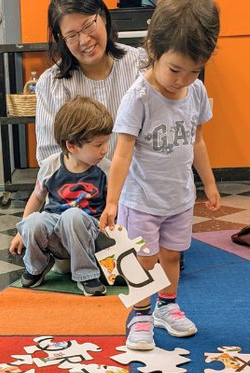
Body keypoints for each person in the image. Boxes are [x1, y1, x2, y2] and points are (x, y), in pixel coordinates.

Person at [99, 0, 221, 351]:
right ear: (152, 49)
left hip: (179, 199)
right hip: (141, 201)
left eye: (195, 71)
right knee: (142, 258)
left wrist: (209, 184)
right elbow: (120, 154)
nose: (182, 80)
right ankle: (139, 314)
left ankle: (166, 306)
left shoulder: (194, 92)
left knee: (170, 256)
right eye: (175, 69)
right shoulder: (138, 97)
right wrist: (112, 201)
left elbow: (197, 141)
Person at [9, 96, 113, 297]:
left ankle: (86, 275)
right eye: (98, 144)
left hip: (89, 230)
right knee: (34, 221)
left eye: (106, 142)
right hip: (55, 231)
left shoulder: (105, 169)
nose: (105, 149)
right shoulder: (51, 166)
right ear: (72, 146)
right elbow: (36, 198)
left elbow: (115, 204)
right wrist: (21, 232)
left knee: (72, 216)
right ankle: (36, 268)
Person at [35, 0, 147, 165]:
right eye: (72, 35)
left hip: (136, 186)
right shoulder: (52, 85)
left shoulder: (141, 67)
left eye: (88, 26)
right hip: (80, 188)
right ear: (61, 39)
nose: (85, 40)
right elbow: (50, 158)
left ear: (103, 17)